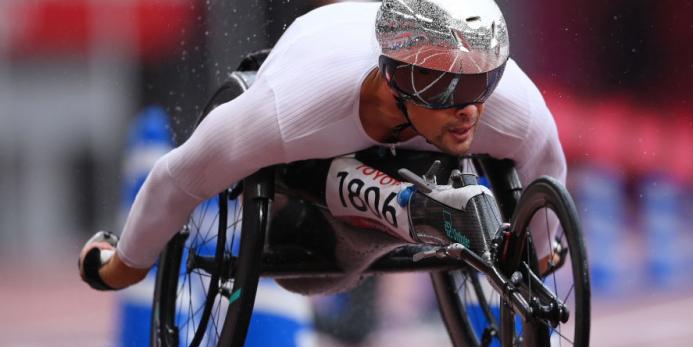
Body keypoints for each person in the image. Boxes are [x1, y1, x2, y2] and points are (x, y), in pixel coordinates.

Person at [78, 0, 566, 291]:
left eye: (484, 83)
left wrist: (541, 252)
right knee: (318, 270)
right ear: (399, 77)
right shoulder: (287, 109)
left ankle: (422, 209)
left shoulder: (509, 105)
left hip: (385, 107)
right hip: (317, 139)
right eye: (448, 89)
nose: (470, 110)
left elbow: (547, 170)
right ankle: (408, 209)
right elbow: (176, 177)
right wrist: (127, 265)